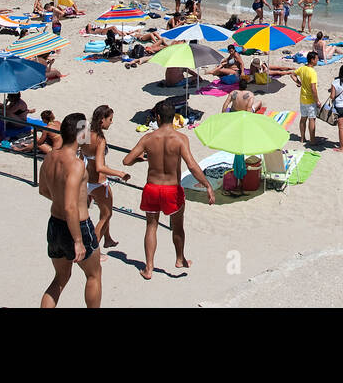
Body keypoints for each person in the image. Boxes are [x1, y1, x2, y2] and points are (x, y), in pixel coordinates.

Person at [122, 99, 215, 279]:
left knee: (151, 226)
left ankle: (149, 268)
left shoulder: (148, 138)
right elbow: (192, 166)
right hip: (172, 189)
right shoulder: (180, 139)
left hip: (152, 188)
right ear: (173, 118)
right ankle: (180, 259)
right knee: (178, 227)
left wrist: (139, 158)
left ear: (157, 117)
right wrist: (207, 185)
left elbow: (126, 161)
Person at [39, 112, 102, 308]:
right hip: (77, 227)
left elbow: (43, 190)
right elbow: (70, 206)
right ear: (80, 134)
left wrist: (61, 199)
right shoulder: (75, 164)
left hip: (54, 224)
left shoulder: (50, 156)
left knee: (60, 278)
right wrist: (77, 240)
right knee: (93, 275)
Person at [82, 105, 131, 256]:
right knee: (106, 215)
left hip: (85, 179)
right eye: (110, 119)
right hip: (98, 182)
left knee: (102, 211)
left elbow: (79, 155)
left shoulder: (83, 133)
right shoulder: (100, 139)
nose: (111, 122)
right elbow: (100, 167)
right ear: (102, 120)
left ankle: (107, 238)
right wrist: (120, 173)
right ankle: (93, 250)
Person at [295, 50, 320, 145]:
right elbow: (314, 88)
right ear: (312, 60)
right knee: (312, 119)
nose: (318, 60)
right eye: (317, 59)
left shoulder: (302, 68)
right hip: (310, 100)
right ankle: (312, 140)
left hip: (302, 98)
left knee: (303, 118)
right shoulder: (312, 72)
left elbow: (292, 74)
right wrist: (317, 100)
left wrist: (298, 82)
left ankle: (302, 138)